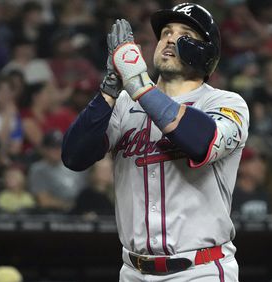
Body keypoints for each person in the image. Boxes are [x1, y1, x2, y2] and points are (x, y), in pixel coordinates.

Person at [62, 3, 249, 281]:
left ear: (206, 51)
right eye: (165, 33)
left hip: (199, 270)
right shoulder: (125, 104)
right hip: (133, 271)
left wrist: (137, 83)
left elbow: (202, 143)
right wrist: (110, 89)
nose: (170, 38)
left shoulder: (225, 103)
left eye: (185, 33)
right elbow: (74, 156)